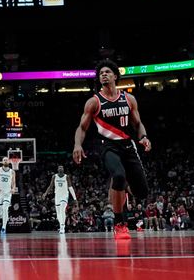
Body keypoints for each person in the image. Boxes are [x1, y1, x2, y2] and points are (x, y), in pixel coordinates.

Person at [73, 59, 151, 240]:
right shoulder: (94, 102)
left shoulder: (128, 99)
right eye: (101, 73)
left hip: (128, 145)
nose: (104, 75)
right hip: (107, 146)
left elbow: (138, 124)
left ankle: (120, 189)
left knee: (142, 193)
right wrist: (78, 145)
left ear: (115, 76)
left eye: (107, 72)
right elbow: (82, 128)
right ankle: (120, 223)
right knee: (118, 175)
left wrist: (144, 137)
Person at [42, 165, 76, 234]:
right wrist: (45, 193)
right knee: (58, 215)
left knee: (62, 209)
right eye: (59, 167)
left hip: (64, 196)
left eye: (62, 167)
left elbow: (70, 187)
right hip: (57, 196)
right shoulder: (54, 176)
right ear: (57, 169)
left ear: (63, 169)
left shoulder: (67, 177)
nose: (60, 168)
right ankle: (61, 225)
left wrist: (75, 198)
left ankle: (62, 227)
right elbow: (50, 186)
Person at [0, 157, 16, 234]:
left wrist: (13, 189)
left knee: (5, 208)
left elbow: (13, 182)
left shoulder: (12, 172)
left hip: (7, 193)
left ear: (9, 161)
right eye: (4, 160)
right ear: (2, 162)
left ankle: (3, 228)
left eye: (7, 160)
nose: (5, 161)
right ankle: (5, 218)